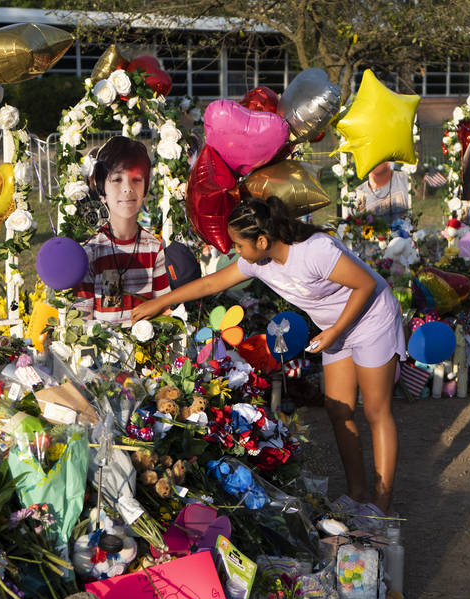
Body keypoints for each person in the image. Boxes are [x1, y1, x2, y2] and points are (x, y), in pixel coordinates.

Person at [131, 197, 405, 516]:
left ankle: (381, 506)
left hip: (371, 317)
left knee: (375, 410)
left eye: (238, 244)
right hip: (335, 327)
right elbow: (211, 282)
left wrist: (333, 333)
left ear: (262, 240)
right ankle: (357, 494)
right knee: (337, 408)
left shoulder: (315, 251)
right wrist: (158, 303)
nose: (235, 252)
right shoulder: (257, 261)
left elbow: (366, 284)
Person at [73, 136, 170, 323]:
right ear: (102, 192)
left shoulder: (153, 248)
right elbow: (82, 317)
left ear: (145, 189)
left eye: (136, 180)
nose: (127, 189)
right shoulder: (91, 251)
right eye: (117, 179)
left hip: (145, 348)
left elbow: (164, 308)